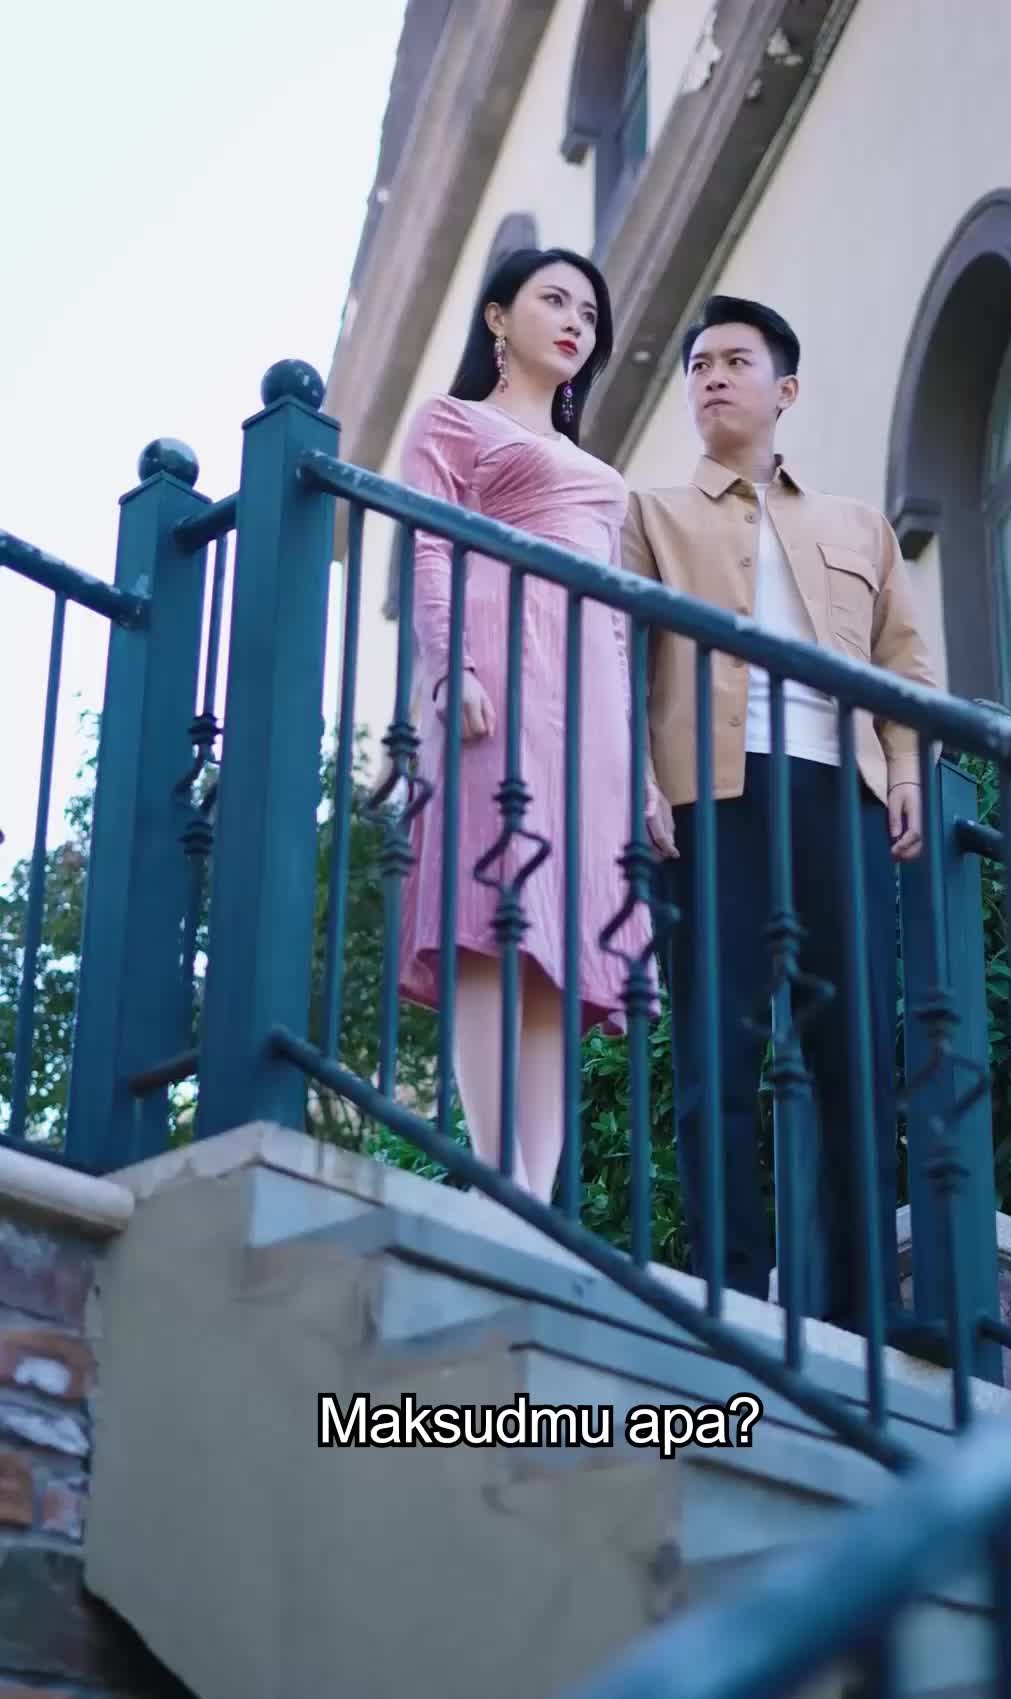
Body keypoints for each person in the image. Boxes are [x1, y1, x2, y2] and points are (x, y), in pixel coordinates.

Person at [621, 295, 941, 1330]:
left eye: (736, 361)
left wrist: (903, 770)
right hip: (712, 801)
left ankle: (861, 1315)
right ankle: (732, 1291)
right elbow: (616, 662)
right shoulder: (650, 516)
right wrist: (635, 780)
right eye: (699, 365)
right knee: (717, 1053)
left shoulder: (857, 526)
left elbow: (904, 665)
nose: (712, 376)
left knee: (856, 1056)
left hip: (839, 797)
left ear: (785, 389)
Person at [396, 247, 656, 1202]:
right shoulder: (453, 420)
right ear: (498, 318)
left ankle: (532, 1200)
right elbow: (428, 546)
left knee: (558, 942)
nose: (576, 322)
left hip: (589, 708)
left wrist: (641, 769)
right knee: (489, 918)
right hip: (500, 672)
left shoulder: (598, 472)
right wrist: (450, 664)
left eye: (590, 312)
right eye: (555, 300)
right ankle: (494, 1174)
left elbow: (618, 624)